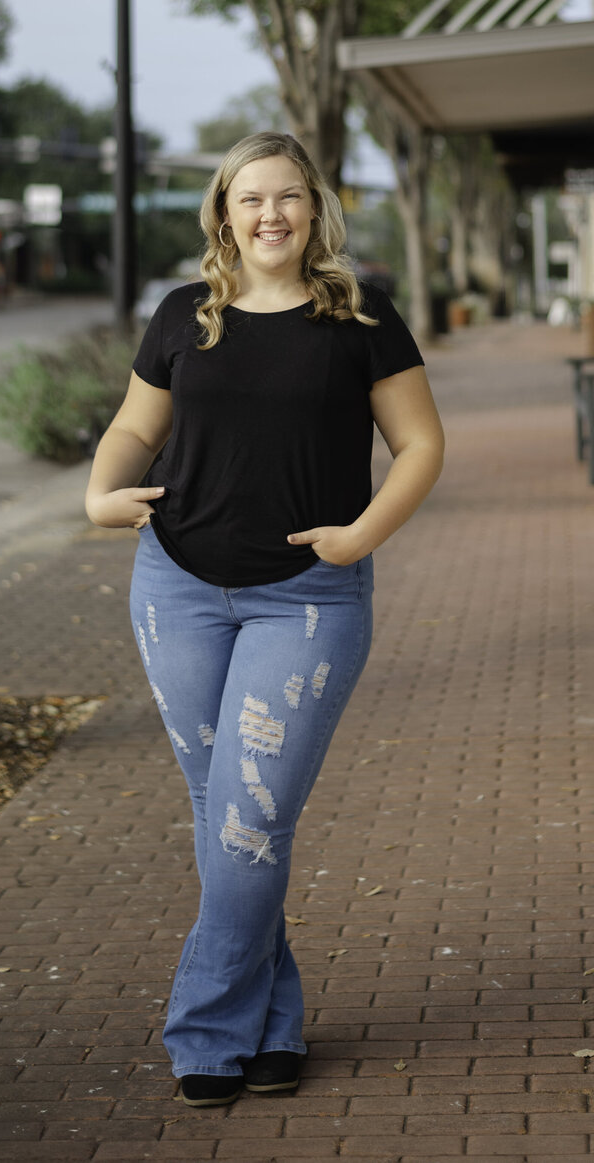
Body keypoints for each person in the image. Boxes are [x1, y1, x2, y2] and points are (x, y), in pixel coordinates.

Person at [85, 131, 444, 1107]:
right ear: (224, 213)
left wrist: (362, 534)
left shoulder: (361, 319)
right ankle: (273, 1024)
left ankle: (205, 1031)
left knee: (249, 817)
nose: (271, 215)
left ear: (316, 210)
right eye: (251, 199)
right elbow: (133, 428)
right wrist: (99, 494)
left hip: (308, 601)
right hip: (176, 586)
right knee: (232, 820)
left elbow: (418, 446)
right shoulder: (182, 316)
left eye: (289, 197)